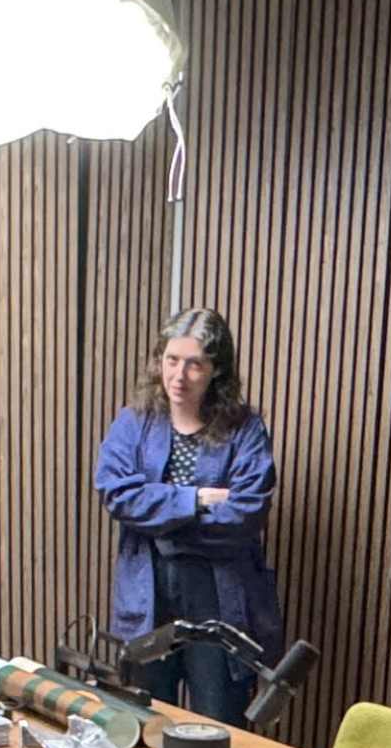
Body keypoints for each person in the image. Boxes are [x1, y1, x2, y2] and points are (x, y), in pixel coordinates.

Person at [93, 306, 278, 724]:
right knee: (144, 717)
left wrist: (159, 522)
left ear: (216, 370)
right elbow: (117, 493)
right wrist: (193, 500)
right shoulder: (134, 421)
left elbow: (245, 514)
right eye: (171, 360)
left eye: (195, 364)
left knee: (218, 721)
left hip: (217, 594)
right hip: (149, 588)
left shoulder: (245, 429)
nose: (179, 375)